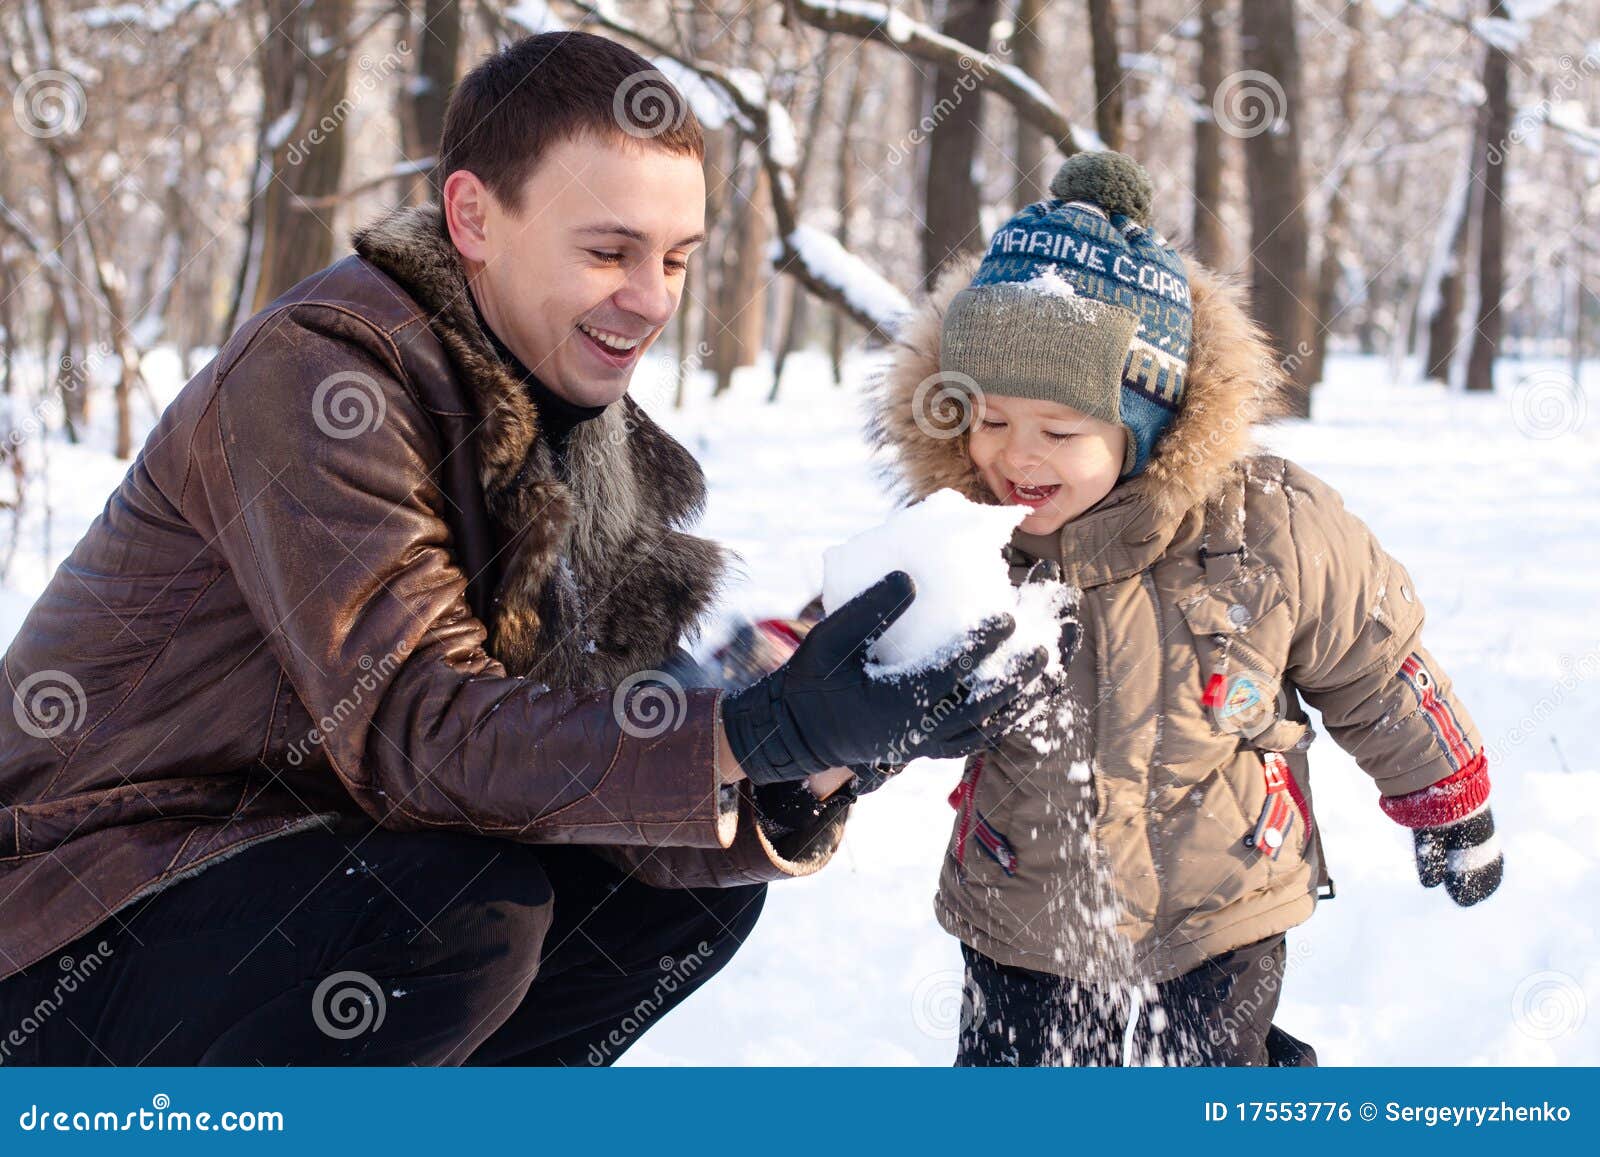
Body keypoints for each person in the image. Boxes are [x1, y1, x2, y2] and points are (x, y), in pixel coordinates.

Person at [0, 31, 1048, 1065]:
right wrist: (751, 727)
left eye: (677, 259)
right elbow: (421, 729)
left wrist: (813, 748)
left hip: (308, 869)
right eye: (608, 251)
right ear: (473, 217)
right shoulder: (324, 379)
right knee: (458, 912)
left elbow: (586, 758)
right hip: (77, 912)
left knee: (674, 895)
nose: (652, 299)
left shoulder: (577, 426)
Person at [867, 150, 1504, 1067]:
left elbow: (1377, 663)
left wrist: (1449, 794)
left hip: (1225, 899)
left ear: (1147, 423)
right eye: (992, 419)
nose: (1017, 455)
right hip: (1024, 903)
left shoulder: (1269, 527)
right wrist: (803, 757)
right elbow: (862, 666)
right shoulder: (962, 539)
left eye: (1060, 430)